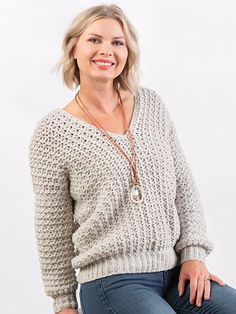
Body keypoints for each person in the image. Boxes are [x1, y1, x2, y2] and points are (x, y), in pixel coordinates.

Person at [28, 4, 236, 314]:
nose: (106, 51)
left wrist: (194, 255)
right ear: (73, 48)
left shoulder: (151, 104)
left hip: (174, 272)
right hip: (112, 282)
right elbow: (52, 226)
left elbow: (183, 185)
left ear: (128, 51)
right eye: (94, 40)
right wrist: (64, 304)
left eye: (117, 42)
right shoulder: (53, 132)